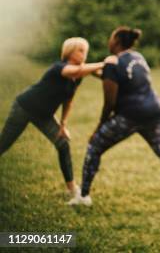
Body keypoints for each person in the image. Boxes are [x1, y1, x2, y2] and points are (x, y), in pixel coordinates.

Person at [68, 27, 160, 210]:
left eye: (110, 38)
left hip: (130, 115)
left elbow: (110, 102)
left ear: (116, 41)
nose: (108, 41)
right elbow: (123, 79)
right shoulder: (137, 57)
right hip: (154, 112)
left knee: (95, 146)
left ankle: (83, 196)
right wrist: (95, 71)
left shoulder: (112, 63)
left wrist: (99, 126)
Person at [0, 38, 103, 196]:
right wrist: (103, 63)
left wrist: (63, 124)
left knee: (63, 144)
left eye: (86, 51)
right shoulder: (59, 67)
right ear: (69, 52)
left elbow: (68, 100)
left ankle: (72, 188)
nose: (85, 54)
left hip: (44, 115)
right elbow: (74, 71)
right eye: (81, 50)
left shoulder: (79, 76)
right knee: (4, 143)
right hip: (25, 107)